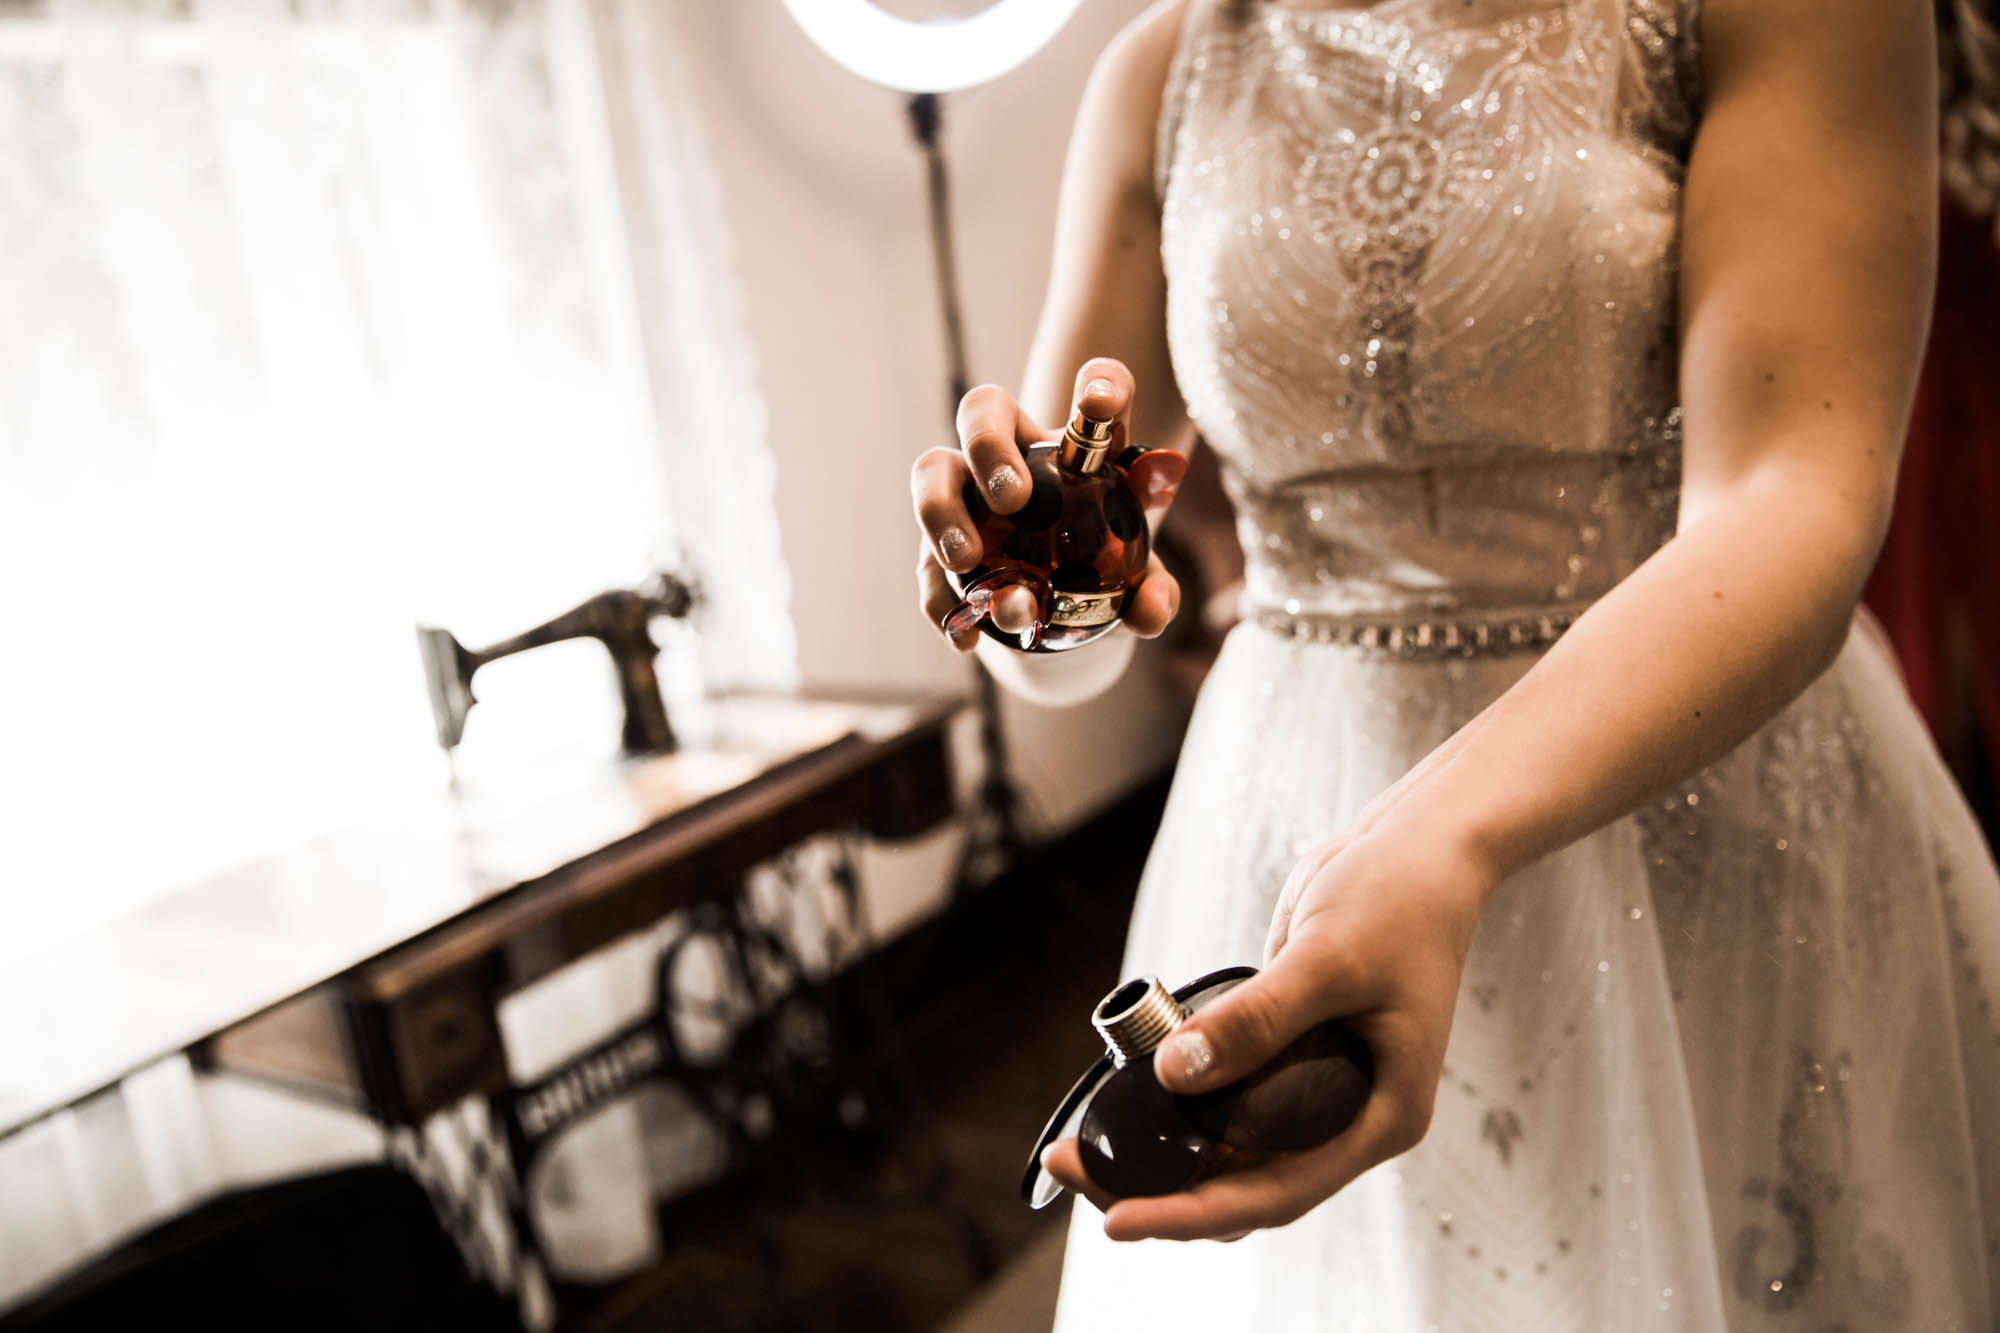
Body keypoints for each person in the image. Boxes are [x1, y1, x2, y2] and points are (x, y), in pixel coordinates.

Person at [910, 0, 2000, 1325]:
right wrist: (1028, 586)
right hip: (1298, 816)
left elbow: (1792, 494)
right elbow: (1070, 629)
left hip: (1699, 785)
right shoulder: (1165, 70)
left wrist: (1443, 835)